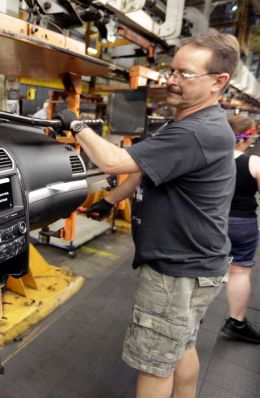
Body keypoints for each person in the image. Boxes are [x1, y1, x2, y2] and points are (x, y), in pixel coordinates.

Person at [57, 32, 239, 398]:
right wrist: (112, 199)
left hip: (177, 271)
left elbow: (114, 160)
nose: (171, 80)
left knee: (154, 365)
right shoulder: (191, 123)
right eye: (171, 70)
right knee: (181, 346)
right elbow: (146, 168)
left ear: (219, 82)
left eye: (185, 74)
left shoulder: (197, 131)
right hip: (200, 263)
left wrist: (76, 125)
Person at [221, 115, 260, 343]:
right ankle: (236, 321)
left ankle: (191, 316)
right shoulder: (253, 162)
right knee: (240, 271)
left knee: (201, 267)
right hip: (242, 223)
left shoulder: (209, 158)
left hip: (208, 221)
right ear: (248, 137)